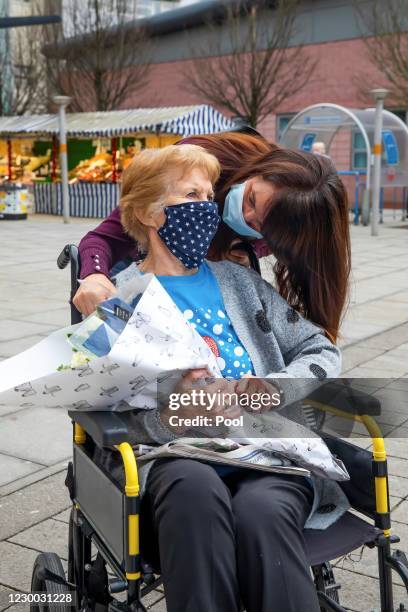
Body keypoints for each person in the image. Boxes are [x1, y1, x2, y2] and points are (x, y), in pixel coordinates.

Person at [94, 143, 345, 612]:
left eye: (211, 194)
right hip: (176, 458)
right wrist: (175, 411)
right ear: (150, 212)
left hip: (266, 450)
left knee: (263, 513)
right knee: (194, 491)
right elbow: (107, 411)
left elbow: (321, 350)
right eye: (193, 193)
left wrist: (273, 387)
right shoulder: (121, 304)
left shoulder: (240, 282)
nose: (209, 207)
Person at [73, 131, 350, 343]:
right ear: (259, 170)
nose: (244, 214)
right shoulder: (191, 165)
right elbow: (104, 239)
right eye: (251, 198)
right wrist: (95, 276)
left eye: (259, 226)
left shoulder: (242, 282)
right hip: (146, 273)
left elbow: (309, 342)